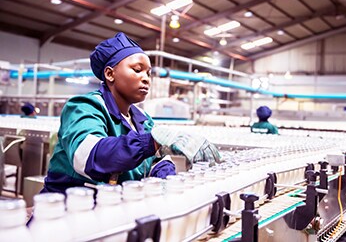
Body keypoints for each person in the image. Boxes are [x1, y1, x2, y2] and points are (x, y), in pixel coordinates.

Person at [42, 32, 221, 194]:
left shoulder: (143, 120)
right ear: (110, 74)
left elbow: (158, 161)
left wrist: (166, 181)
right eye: (137, 70)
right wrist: (153, 141)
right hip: (68, 210)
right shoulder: (84, 107)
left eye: (149, 73)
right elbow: (91, 156)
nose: (146, 78)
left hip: (116, 211)